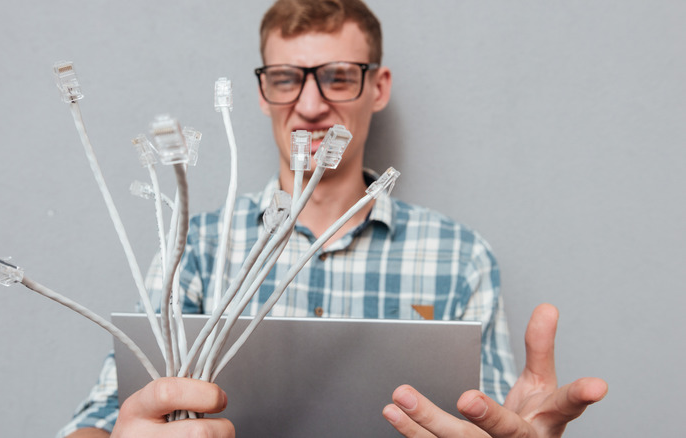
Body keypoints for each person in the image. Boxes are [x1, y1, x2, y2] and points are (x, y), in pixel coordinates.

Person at [58, 1, 607, 437]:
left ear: (378, 87)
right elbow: (105, 413)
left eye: (338, 76)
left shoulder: (460, 257)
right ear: (262, 93)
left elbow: (496, 419)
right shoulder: (196, 247)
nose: (312, 105)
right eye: (285, 77)